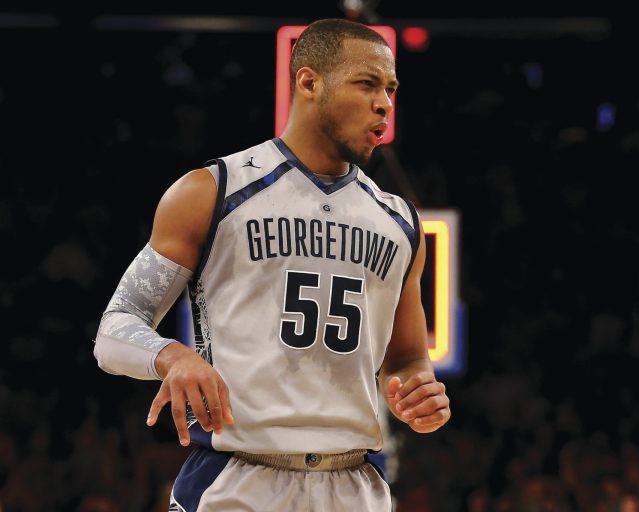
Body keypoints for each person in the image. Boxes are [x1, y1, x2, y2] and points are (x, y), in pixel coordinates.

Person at [93, 17, 450, 511]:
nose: (384, 103)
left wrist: (417, 393)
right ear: (308, 82)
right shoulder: (212, 191)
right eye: (367, 83)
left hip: (354, 486)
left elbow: (408, 358)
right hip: (235, 480)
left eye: (389, 89)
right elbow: (115, 326)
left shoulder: (399, 221)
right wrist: (171, 356)